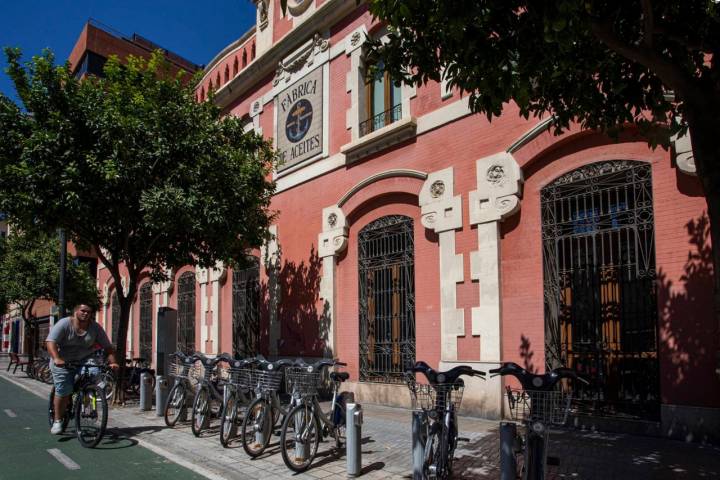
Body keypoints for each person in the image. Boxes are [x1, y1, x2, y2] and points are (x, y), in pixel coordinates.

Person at [46, 303, 119, 435]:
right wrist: (56, 358)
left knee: (95, 373)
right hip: (62, 360)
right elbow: (50, 341)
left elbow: (107, 347)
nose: (86, 314)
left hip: (84, 359)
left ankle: (90, 396)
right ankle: (58, 420)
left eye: (89, 312)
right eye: (83, 311)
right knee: (64, 390)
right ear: (75, 312)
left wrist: (113, 362)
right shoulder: (64, 324)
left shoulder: (95, 327)